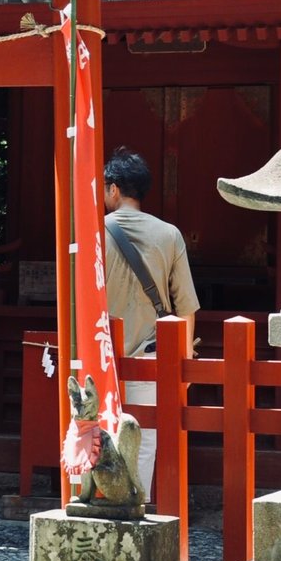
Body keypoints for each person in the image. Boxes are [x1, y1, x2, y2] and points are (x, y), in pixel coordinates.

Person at [102, 148, 199, 502]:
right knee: (144, 438)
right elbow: (185, 306)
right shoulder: (169, 234)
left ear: (113, 189)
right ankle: (135, 507)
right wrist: (184, 364)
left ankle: (101, 507)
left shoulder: (92, 232)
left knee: (100, 433)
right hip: (151, 356)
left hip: (102, 354)